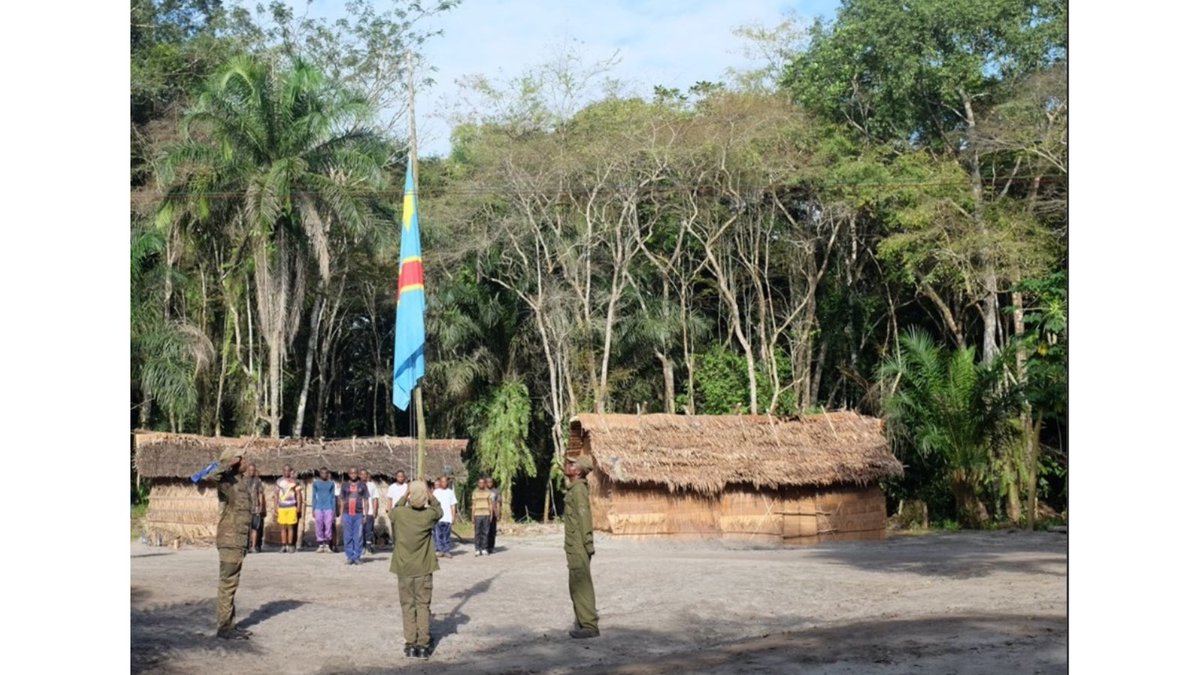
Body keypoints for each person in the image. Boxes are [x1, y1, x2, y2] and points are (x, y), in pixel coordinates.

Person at [389, 480, 442, 659]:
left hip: (404, 568)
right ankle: (423, 644)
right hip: (423, 569)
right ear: (425, 497)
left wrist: (405, 495)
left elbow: (394, 509)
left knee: (407, 606)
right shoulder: (428, 516)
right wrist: (429, 494)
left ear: (410, 496)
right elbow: (439, 511)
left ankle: (410, 643)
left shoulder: (400, 514)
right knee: (422, 606)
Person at [206, 447, 253, 640]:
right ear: (235, 462)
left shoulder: (240, 483)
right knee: (227, 584)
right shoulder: (226, 483)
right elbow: (211, 476)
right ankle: (224, 628)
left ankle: (229, 625)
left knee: (232, 584)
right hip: (229, 540)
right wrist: (228, 463)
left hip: (238, 542)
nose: (246, 462)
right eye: (242, 460)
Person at [563, 455, 599, 638]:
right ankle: (582, 621)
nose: (567, 465)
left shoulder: (578, 491)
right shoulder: (573, 489)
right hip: (573, 545)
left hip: (578, 545)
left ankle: (590, 626)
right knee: (575, 584)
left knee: (582, 584)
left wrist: (587, 543)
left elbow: (584, 518)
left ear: (577, 471)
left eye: (571, 464)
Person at [339, 467, 369, 565]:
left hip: (358, 514)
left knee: (358, 536)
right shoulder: (344, 485)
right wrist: (341, 515)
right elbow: (342, 501)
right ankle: (349, 556)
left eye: (355, 473)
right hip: (347, 514)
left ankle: (357, 557)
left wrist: (365, 515)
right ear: (348, 474)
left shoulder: (362, 485)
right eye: (351, 473)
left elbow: (366, 501)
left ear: (358, 474)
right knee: (347, 536)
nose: (353, 475)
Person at [311, 467, 337, 553]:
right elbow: (314, 496)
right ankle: (320, 544)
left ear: (328, 474)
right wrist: (313, 509)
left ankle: (327, 544)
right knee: (319, 525)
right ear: (319, 474)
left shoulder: (331, 484)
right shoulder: (316, 483)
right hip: (318, 507)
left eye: (326, 473)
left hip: (328, 507)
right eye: (322, 473)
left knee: (328, 526)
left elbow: (333, 497)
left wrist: (333, 509)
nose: (324, 475)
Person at [275, 465, 300, 552]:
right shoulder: (279, 481)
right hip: (282, 507)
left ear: (290, 471)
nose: (287, 472)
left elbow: (298, 494)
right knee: (282, 527)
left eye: (288, 470)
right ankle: (283, 545)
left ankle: (290, 545)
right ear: (283, 471)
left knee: (290, 527)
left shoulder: (295, 481)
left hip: (291, 507)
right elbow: (276, 495)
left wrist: (299, 506)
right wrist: (275, 506)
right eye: (285, 470)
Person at [431, 476, 457, 558]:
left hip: (448, 518)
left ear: (447, 482)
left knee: (447, 535)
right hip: (438, 518)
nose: (444, 483)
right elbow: (433, 505)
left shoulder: (450, 492)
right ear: (440, 482)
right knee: (438, 535)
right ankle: (440, 550)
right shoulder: (436, 492)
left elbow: (453, 505)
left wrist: (453, 516)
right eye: (442, 482)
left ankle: (446, 550)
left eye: (445, 482)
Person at [471, 477, 493, 557]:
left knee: (485, 532)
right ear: (478, 484)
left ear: (485, 484)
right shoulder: (475, 493)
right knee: (477, 533)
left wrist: (491, 515)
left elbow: (490, 504)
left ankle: (484, 549)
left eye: (482, 483)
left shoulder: (488, 493)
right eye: (479, 483)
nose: (481, 484)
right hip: (477, 514)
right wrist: (472, 516)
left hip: (486, 514)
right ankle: (477, 549)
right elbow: (473, 505)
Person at [246, 463, 266, 553]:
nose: (251, 472)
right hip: (245, 508)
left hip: (255, 508)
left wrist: (261, 506)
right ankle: (247, 546)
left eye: (253, 470)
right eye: (250, 470)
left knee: (255, 528)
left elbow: (261, 494)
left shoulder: (258, 481)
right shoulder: (243, 481)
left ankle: (253, 546)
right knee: (246, 528)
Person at [362, 469, 380, 554]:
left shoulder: (372, 485)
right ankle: (362, 547)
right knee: (360, 530)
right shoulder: (356, 485)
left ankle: (368, 547)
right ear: (359, 475)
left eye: (365, 474)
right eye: (361, 474)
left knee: (369, 529)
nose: (363, 476)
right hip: (359, 511)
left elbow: (375, 498)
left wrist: (375, 510)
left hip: (369, 511)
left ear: (367, 475)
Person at [486, 476, 500, 554]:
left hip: (493, 514)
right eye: (488, 482)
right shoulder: (483, 491)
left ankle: (491, 547)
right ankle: (485, 547)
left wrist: (498, 513)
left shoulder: (496, 491)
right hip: (485, 514)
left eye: (491, 482)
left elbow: (498, 503)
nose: (489, 483)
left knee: (492, 531)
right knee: (485, 531)